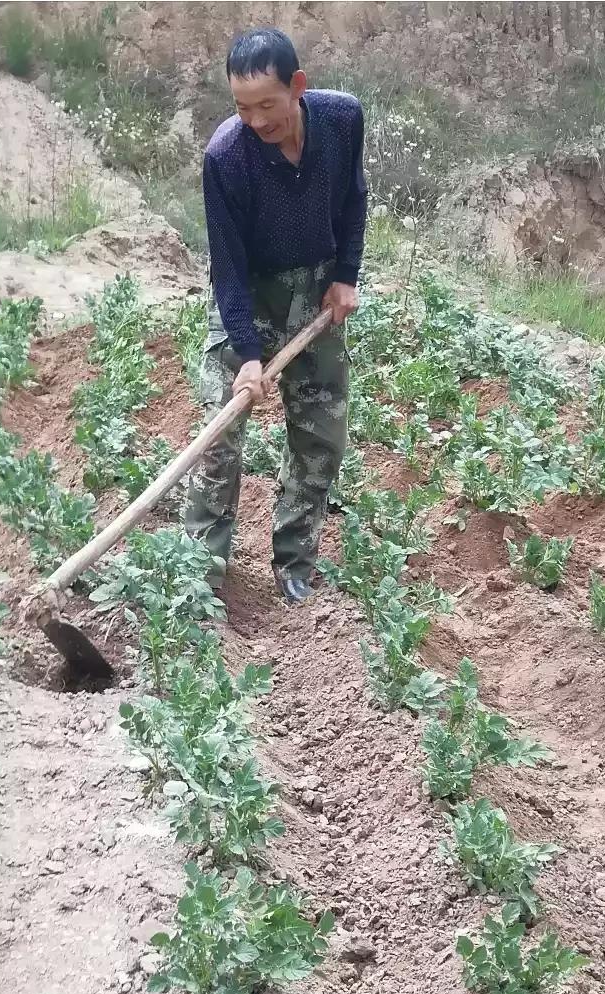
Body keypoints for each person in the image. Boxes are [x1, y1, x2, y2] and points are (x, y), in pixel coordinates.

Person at [182, 26, 367, 604]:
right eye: (242, 107)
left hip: (315, 289)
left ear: (298, 87)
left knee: (320, 436)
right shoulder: (226, 156)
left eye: (268, 104)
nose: (257, 120)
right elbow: (228, 268)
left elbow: (354, 196)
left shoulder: (341, 120)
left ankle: (294, 563)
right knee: (219, 439)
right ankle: (200, 578)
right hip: (251, 293)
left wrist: (345, 276)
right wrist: (247, 354)